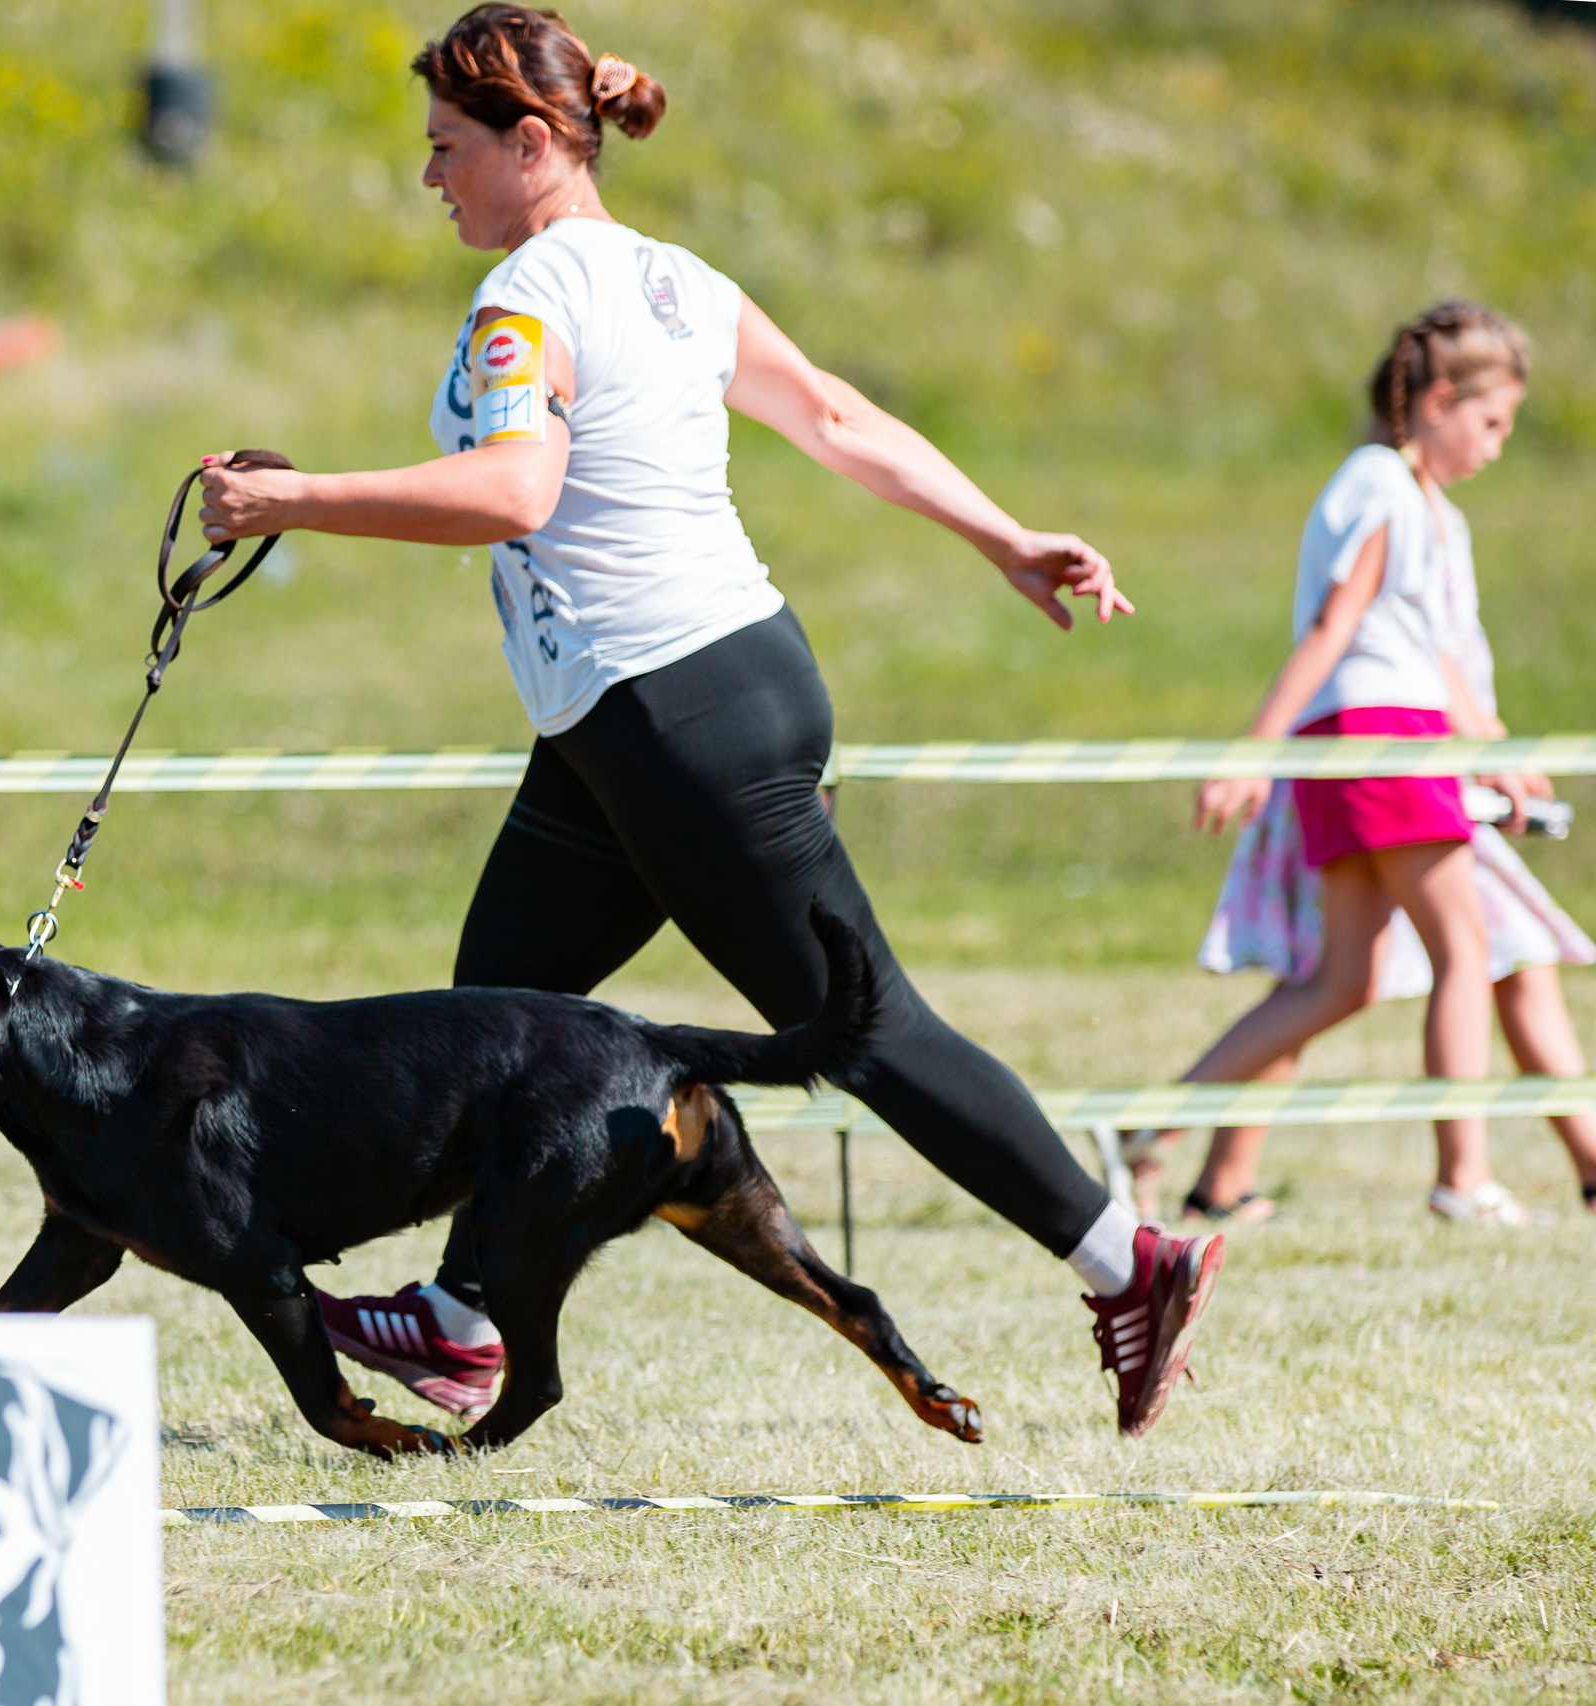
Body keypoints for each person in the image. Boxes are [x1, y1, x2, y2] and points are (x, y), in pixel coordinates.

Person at [194, 4, 1220, 1439]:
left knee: (860, 1024)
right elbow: (843, 420)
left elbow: (513, 494)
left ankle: (1134, 1262)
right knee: (500, 999)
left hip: (674, 718)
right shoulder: (674, 279)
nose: (431, 179)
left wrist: (293, 500)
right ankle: (465, 1315)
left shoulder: (529, 298)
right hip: (692, 693)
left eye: (445, 150)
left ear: (533, 141)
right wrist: (1000, 533)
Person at [1129, 302, 1588, 1227]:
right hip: (1383, 735)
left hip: (1378, 736)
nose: (1497, 448)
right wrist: (1252, 753)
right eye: (1491, 423)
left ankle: (1149, 1127)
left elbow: (1432, 646)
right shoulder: (1380, 482)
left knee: (1346, 978)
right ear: (1439, 399)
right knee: (1465, 951)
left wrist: (1492, 754)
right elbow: (1338, 627)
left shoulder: (1415, 499)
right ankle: (1463, 1178)